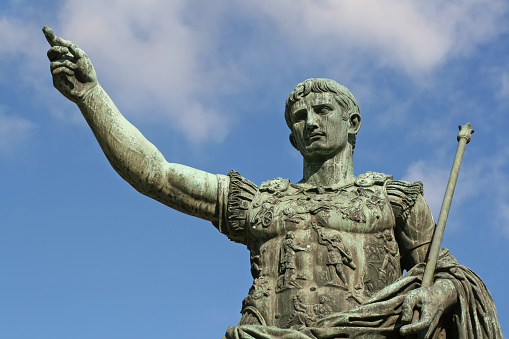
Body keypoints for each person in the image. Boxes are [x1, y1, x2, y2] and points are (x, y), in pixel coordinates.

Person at [44, 26, 502, 338]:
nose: (311, 121)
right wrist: (90, 96)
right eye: (300, 117)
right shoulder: (262, 203)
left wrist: (436, 294)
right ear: (291, 136)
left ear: (353, 122)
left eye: (323, 111)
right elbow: (158, 175)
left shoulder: (391, 200)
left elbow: (445, 274)